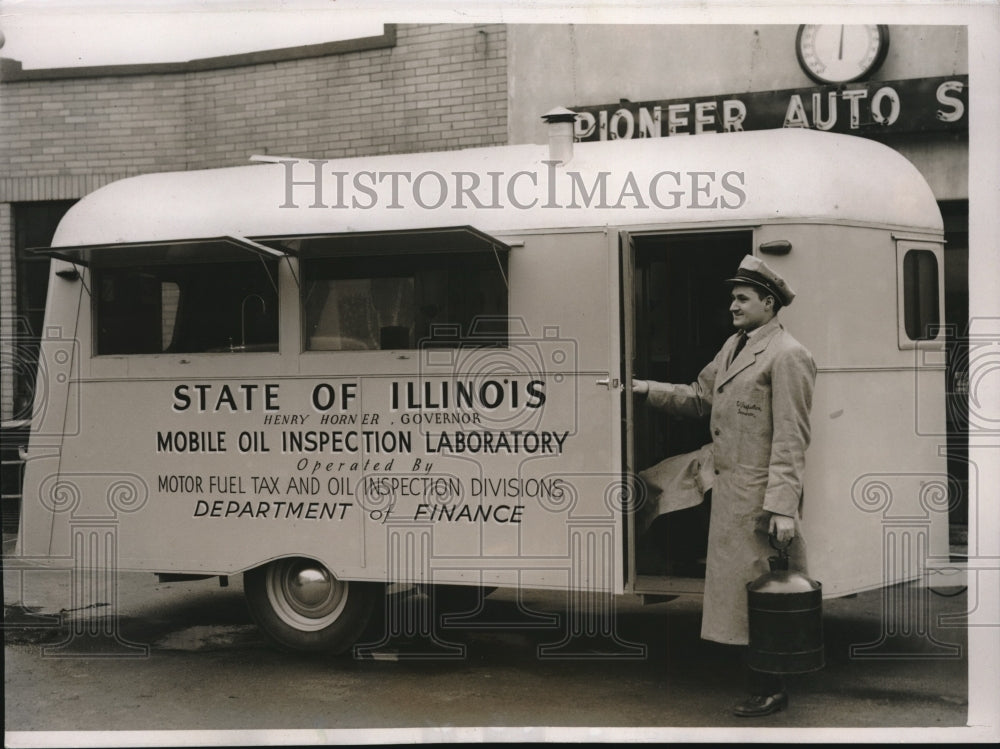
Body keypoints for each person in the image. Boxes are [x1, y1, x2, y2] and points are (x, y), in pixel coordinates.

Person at [633, 254, 816, 718]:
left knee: (762, 592)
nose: (732, 306)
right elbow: (699, 397)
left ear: (768, 303)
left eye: (742, 298)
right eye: (732, 298)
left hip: (756, 497)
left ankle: (771, 688)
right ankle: (758, 676)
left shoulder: (788, 354)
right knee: (743, 592)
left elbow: (792, 437)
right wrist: (642, 388)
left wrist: (781, 507)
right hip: (729, 490)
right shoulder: (734, 346)